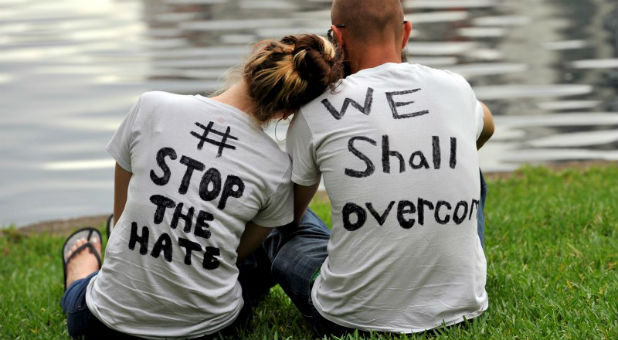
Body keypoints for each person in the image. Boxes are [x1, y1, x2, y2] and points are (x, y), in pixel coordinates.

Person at [59, 34, 343, 340]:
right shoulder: (277, 169)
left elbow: (121, 218)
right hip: (209, 332)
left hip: (103, 327)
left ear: (257, 56)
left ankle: (82, 261)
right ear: (288, 112)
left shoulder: (150, 107)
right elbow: (235, 256)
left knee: (83, 289)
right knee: (265, 229)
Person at [269, 0, 496, 337]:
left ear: (337, 39)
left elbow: (290, 215)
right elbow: (487, 126)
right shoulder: (456, 88)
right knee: (471, 173)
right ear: (405, 33)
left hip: (345, 319)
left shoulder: (318, 109)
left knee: (274, 219)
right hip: (461, 310)